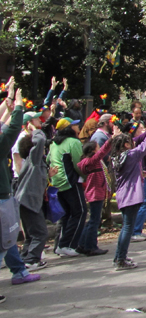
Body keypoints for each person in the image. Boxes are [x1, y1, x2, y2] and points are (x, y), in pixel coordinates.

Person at [109, 109, 146, 270]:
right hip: (132, 196)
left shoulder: (118, 157)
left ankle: (119, 256)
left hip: (123, 195)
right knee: (127, 228)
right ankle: (120, 259)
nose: (133, 143)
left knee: (126, 226)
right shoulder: (131, 155)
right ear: (126, 145)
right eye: (130, 142)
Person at [1, 88, 42, 291]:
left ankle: (19, 270)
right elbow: (11, 129)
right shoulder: (12, 139)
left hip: (6, 192)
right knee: (6, 237)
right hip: (6, 194)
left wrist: (9, 101)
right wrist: (17, 105)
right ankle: (20, 269)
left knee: (7, 237)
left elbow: (4, 123)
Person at [48, 112, 87, 257]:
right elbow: (79, 164)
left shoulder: (53, 143)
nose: (78, 127)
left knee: (66, 215)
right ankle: (68, 244)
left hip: (56, 182)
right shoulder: (73, 142)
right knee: (80, 211)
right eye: (75, 125)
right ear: (69, 128)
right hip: (70, 182)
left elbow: (48, 161)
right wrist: (85, 176)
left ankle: (59, 245)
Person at [14, 128, 53, 269]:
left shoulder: (35, 164)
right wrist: (36, 130)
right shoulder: (34, 159)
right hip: (28, 202)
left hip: (27, 201)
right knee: (41, 232)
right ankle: (32, 260)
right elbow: (40, 139)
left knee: (31, 234)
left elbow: (37, 179)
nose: (43, 148)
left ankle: (25, 258)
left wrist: (49, 174)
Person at [76, 129, 115, 256]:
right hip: (95, 193)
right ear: (93, 150)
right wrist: (111, 139)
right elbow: (103, 151)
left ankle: (82, 243)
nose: (99, 149)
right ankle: (91, 246)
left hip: (97, 192)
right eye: (97, 147)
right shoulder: (92, 161)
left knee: (93, 220)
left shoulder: (91, 161)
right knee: (95, 220)